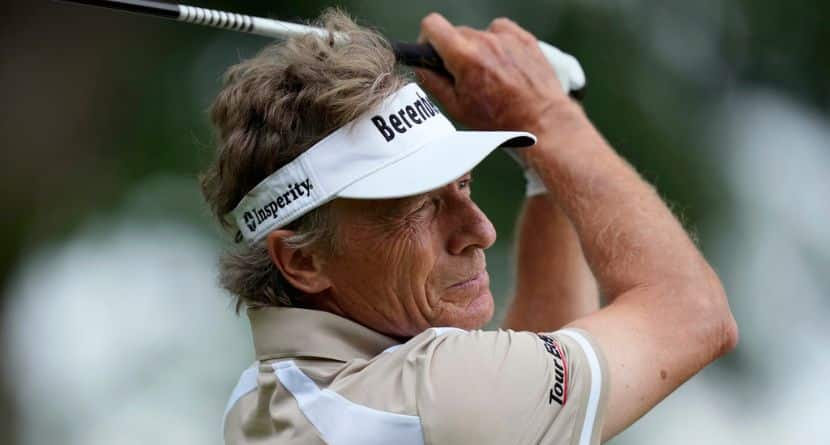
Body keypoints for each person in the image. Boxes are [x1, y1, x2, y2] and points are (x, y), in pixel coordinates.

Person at [201, 9, 738, 445]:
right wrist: (551, 117)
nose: (480, 231)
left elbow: (528, 405)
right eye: (416, 208)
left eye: (462, 186)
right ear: (303, 260)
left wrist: (547, 164)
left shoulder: (260, 399)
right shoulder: (432, 397)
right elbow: (693, 315)